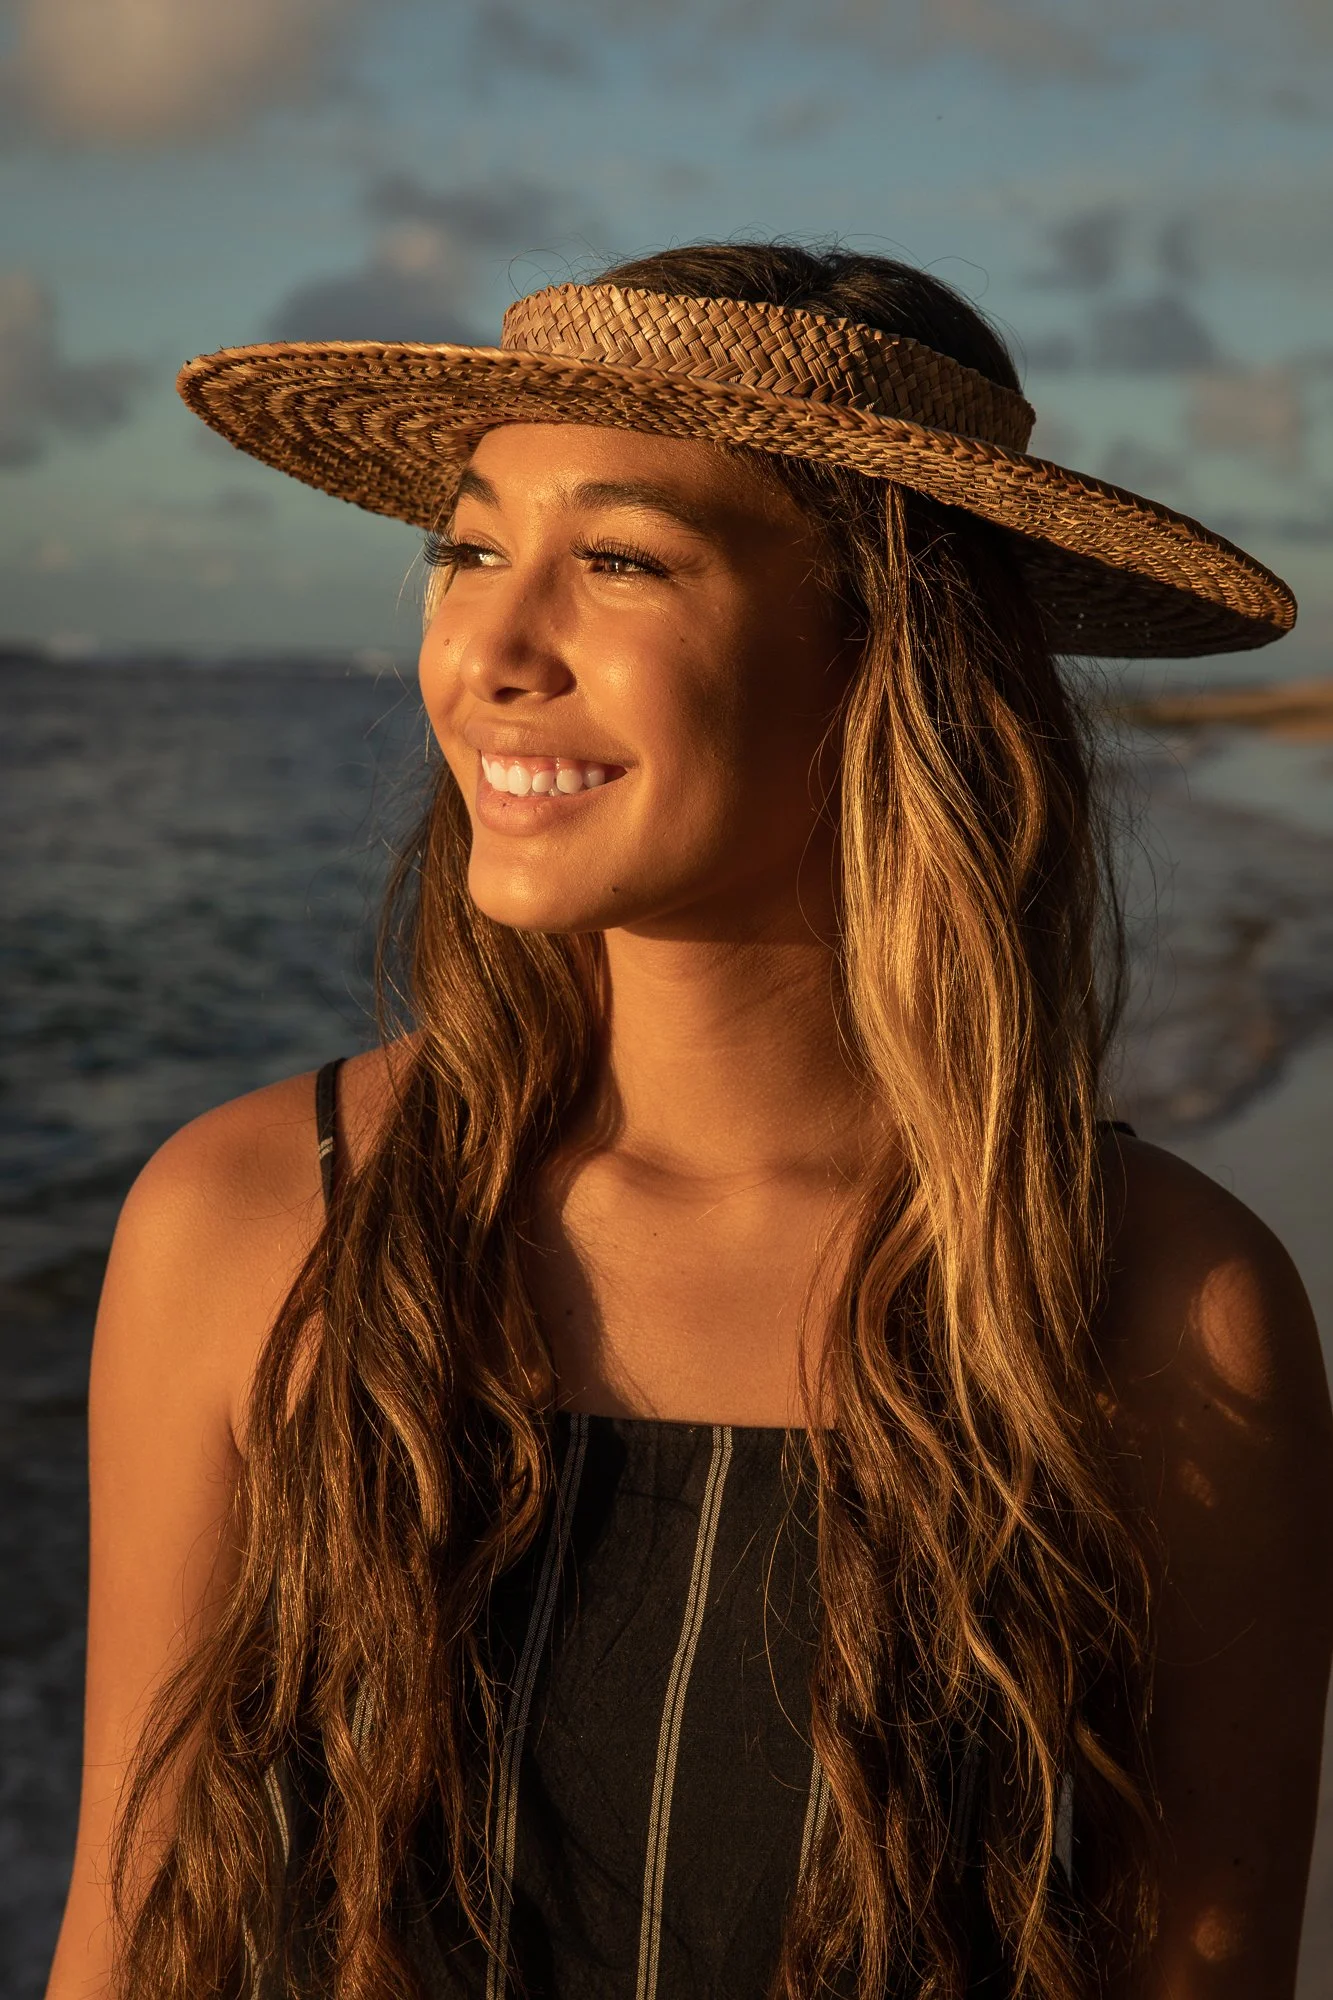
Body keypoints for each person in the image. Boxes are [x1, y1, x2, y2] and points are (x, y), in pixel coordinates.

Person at [46, 243, 1333, 2000]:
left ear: (892, 654)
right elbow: (133, 1940)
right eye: (470, 549)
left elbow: (1208, 1960)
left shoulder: (1162, 1307)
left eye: (623, 562)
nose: (490, 648)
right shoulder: (260, 1216)